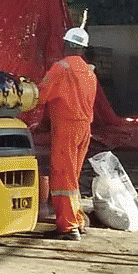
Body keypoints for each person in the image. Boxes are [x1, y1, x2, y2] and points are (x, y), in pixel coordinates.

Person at [36, 27, 97, 241]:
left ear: (68, 45)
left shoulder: (61, 68)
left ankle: (68, 227)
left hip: (67, 129)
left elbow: (41, 95)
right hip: (84, 129)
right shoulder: (89, 71)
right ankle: (76, 220)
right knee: (73, 177)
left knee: (63, 177)